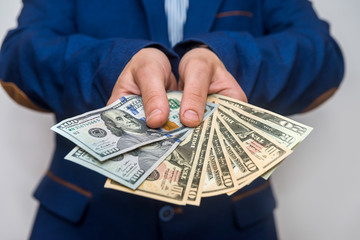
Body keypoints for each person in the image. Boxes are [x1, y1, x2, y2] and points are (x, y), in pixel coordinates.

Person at [0, 0, 344, 239]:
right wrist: (115, 64)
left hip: (232, 225)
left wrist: (226, 59)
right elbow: (19, 56)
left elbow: (323, 58)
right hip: (85, 221)